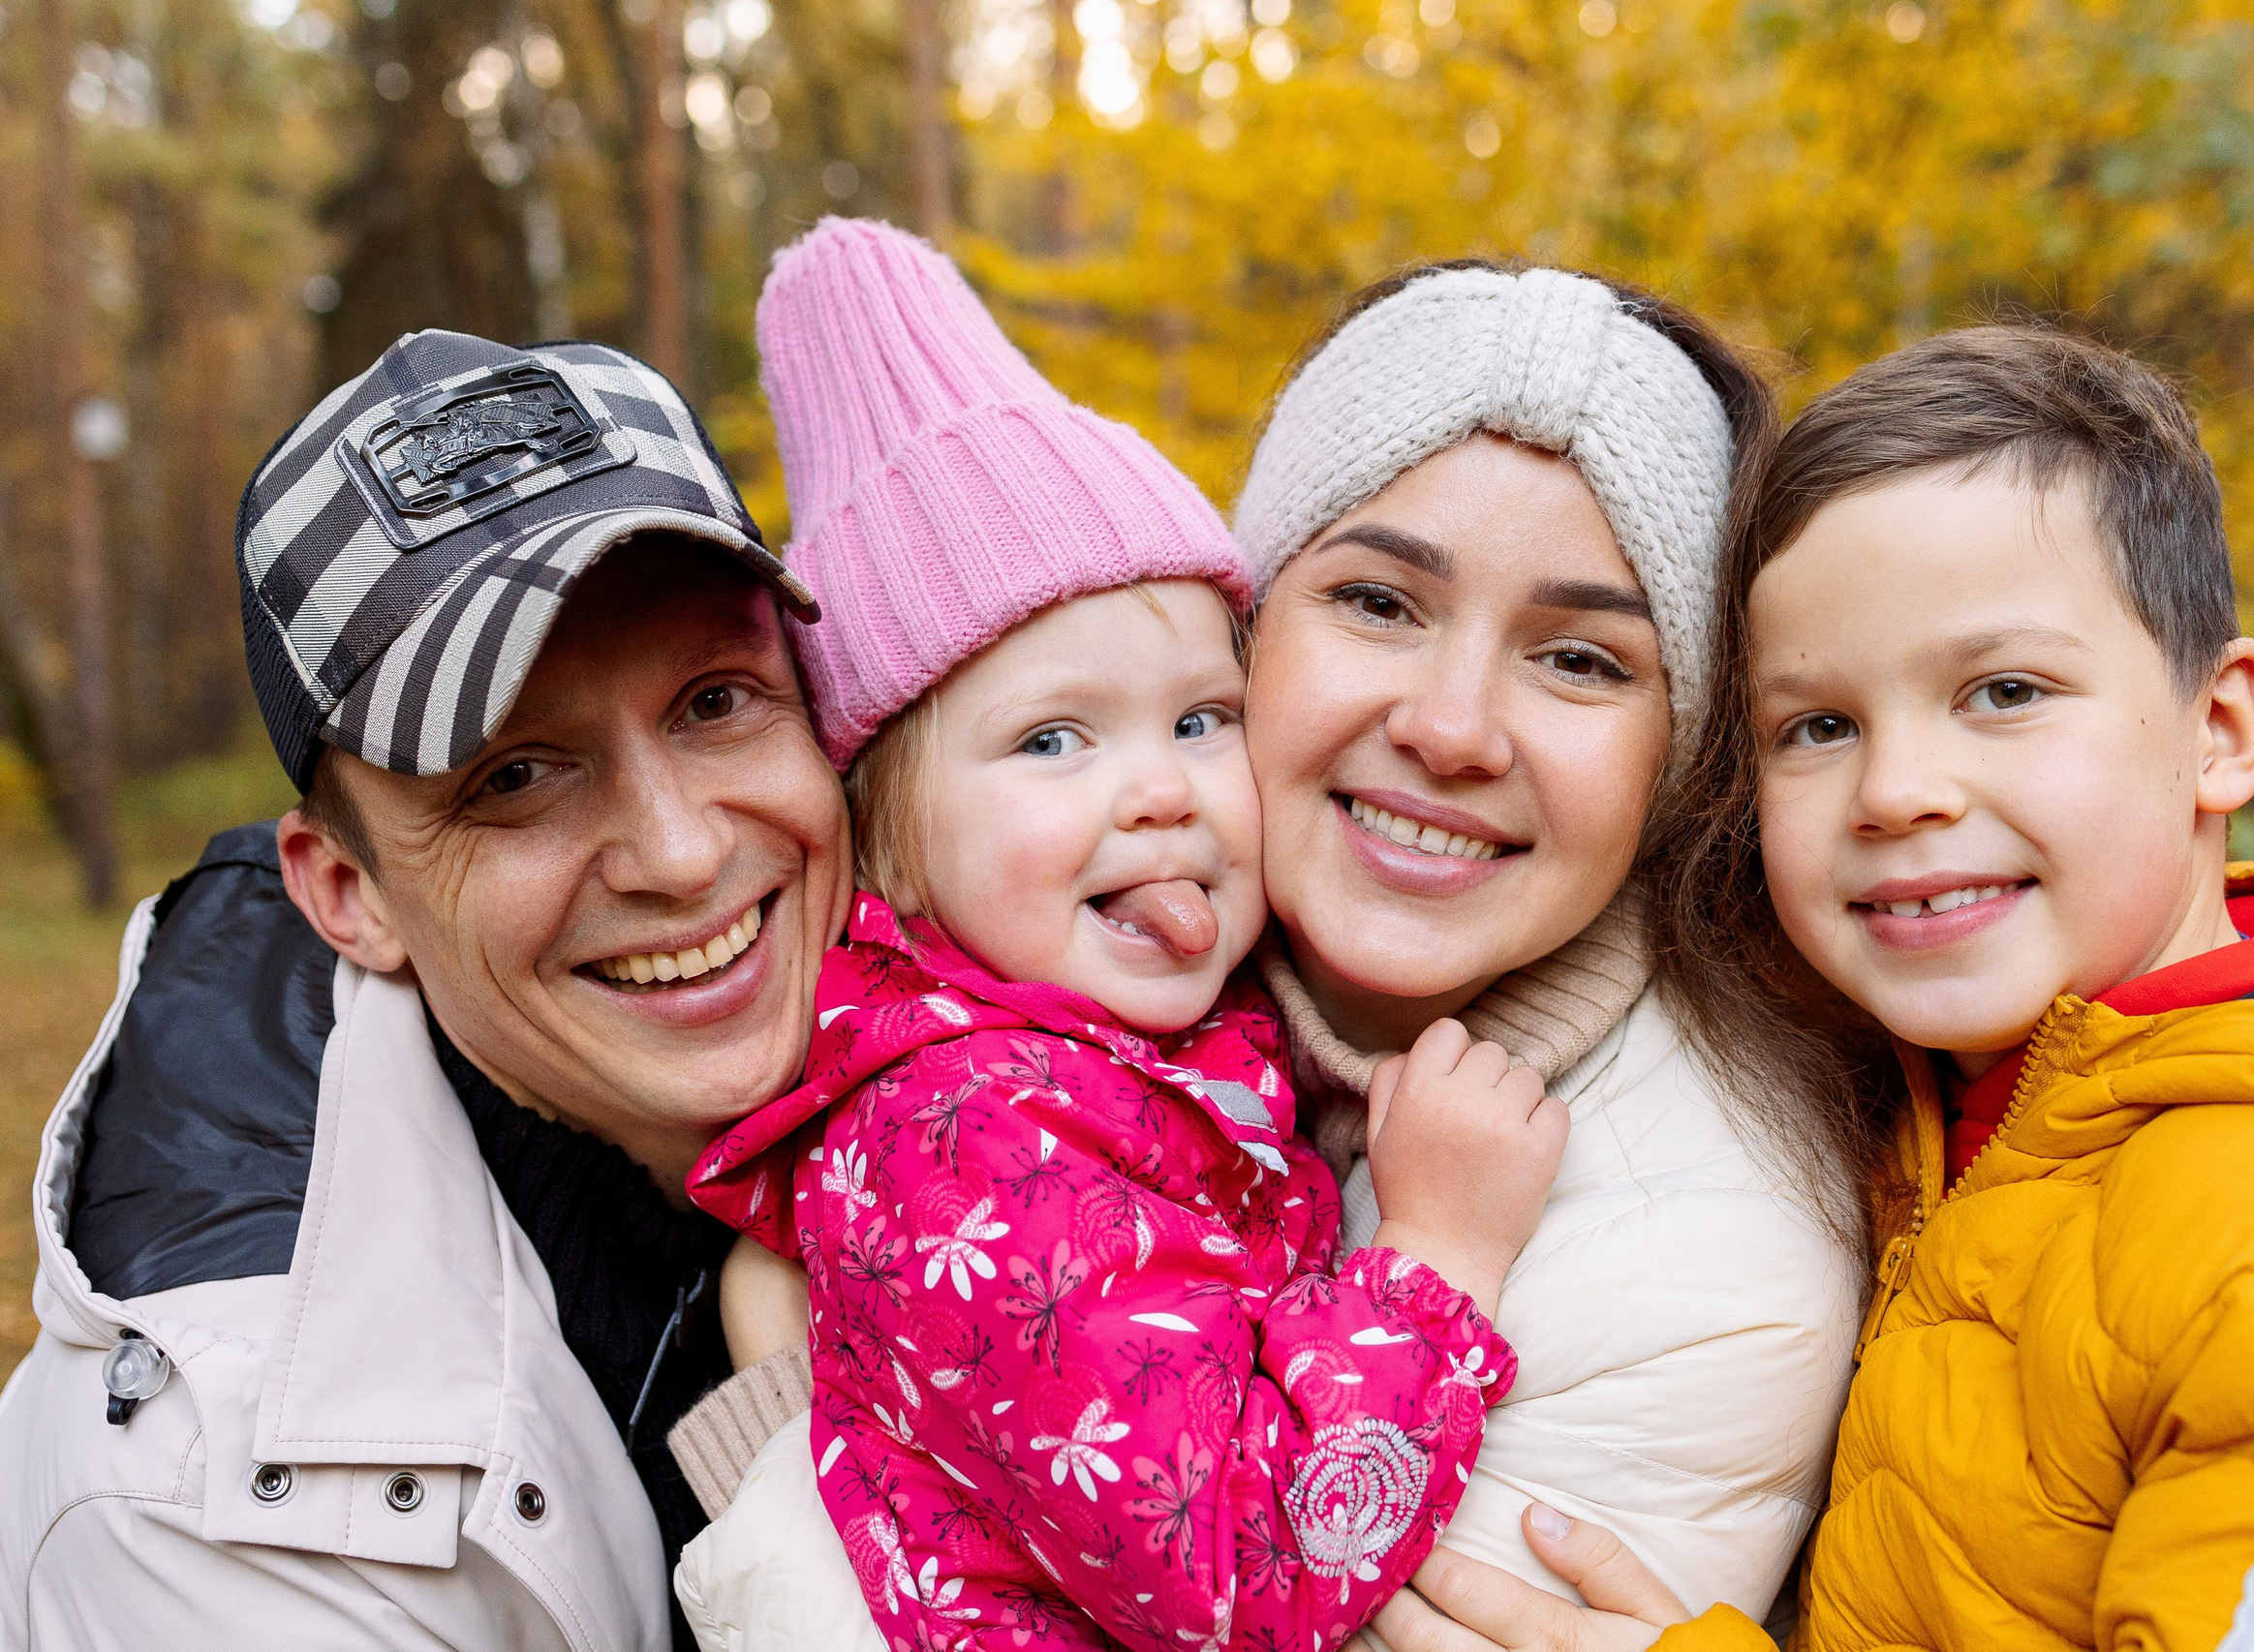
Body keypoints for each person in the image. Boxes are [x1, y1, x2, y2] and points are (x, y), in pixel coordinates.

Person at [673, 261, 1886, 1634]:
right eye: (1379, 601)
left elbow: (1241, 1575)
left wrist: (785, 1434)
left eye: (1581, 660)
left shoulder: (1701, 1257)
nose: (1452, 726)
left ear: (1682, 755)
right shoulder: (1070, 1061)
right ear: (1258, 623)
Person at [1371, 326, 2254, 1651]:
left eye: (2004, 690)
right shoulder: (1954, 1112)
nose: (1896, 791)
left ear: (2221, 728)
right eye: (1818, 727)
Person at [0, 329, 851, 1650]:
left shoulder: (1068, 1035)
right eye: (515, 775)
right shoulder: (202, 1513)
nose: (683, 851)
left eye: (715, 701)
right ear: (350, 892)